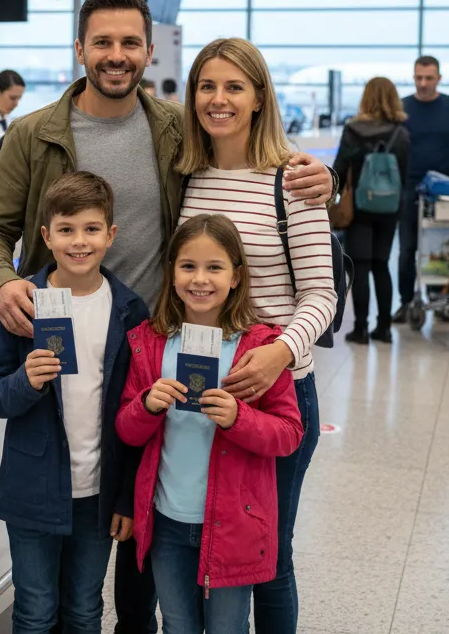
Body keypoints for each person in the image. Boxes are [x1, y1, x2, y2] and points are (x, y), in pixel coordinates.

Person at [0, 0, 334, 634]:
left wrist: (329, 185)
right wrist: (2, 284)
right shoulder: (35, 135)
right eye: (102, 43)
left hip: (168, 358)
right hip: (91, 353)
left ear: (149, 50)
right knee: (114, 520)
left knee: (188, 538)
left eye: (130, 43)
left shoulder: (173, 133)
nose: (117, 55)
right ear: (80, 48)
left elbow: (315, 282)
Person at [174, 37, 336, 634]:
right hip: (194, 387)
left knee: (268, 554)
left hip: (275, 390)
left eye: (234, 87)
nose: (219, 100)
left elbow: (322, 294)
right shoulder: (185, 175)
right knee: (197, 540)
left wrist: (278, 354)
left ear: (259, 97)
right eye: (207, 86)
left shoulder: (291, 180)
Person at [116, 214, 303, 634]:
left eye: (214, 267)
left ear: (237, 277)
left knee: (227, 627)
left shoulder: (259, 347)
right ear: (171, 273)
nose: (200, 279)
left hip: (234, 524)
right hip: (165, 520)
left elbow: (289, 434)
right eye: (188, 266)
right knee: (177, 625)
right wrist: (147, 405)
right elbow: (126, 430)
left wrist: (240, 418)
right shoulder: (150, 341)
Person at [0, 172, 145, 634]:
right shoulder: (24, 305)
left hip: (97, 495)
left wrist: (126, 497)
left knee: (84, 609)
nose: (79, 242)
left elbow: (136, 414)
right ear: (46, 236)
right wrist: (25, 381)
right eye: (67, 230)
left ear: (110, 236)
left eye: (91, 229)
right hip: (31, 489)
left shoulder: (130, 310)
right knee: (34, 610)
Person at [395, 56, 449, 323]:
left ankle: (445, 299)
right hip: (409, 187)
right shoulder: (402, 107)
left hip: (444, 189)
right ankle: (406, 303)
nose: (423, 83)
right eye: (418, 77)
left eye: (428, 78)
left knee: (446, 246)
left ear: (439, 78)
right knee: (407, 249)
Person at [332, 77, 411, 345]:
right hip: (389, 208)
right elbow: (404, 173)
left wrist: (334, 198)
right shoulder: (401, 133)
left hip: (359, 208)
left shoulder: (353, 129)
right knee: (381, 265)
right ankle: (385, 328)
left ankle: (361, 329)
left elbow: (340, 168)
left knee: (361, 267)